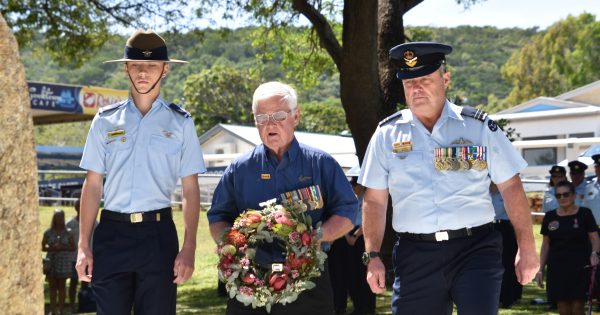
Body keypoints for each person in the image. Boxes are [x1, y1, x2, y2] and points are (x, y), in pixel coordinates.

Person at [358, 41, 539, 315]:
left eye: (424, 79)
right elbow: (374, 201)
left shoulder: (478, 127)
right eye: (409, 82)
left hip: (474, 249)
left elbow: (511, 186)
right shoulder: (387, 134)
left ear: (445, 79)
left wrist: (527, 248)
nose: (416, 88)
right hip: (415, 255)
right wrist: (372, 256)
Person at [76, 29, 206, 315]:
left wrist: (189, 247)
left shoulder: (181, 123)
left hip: (157, 237)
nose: (143, 72)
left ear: (165, 70)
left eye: (151, 66)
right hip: (111, 235)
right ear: (126, 68)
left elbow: (190, 189)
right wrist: (84, 246)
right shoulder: (104, 121)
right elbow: (93, 184)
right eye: (136, 65)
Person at [207, 81, 358, 315]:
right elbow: (218, 217)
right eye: (262, 117)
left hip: (309, 280)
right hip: (250, 280)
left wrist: (316, 238)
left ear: (296, 116)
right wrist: (233, 245)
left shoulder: (320, 164)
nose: (270, 124)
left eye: (278, 115)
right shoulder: (240, 169)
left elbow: (348, 210)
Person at [536, 180, 600, 315]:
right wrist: (540, 269)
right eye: (558, 195)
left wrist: (595, 252)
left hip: (580, 267)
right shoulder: (550, 216)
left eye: (565, 194)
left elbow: (594, 238)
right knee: (562, 307)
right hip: (557, 268)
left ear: (574, 195)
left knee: (577, 307)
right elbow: (546, 244)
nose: (562, 198)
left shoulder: (585, 214)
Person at [328, 177, 376, 315]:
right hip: (346, 234)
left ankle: (366, 307)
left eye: (354, 185)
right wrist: (346, 235)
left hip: (362, 237)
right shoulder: (349, 200)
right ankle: (356, 306)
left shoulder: (367, 199)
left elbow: (367, 220)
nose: (353, 188)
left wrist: (354, 236)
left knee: (363, 273)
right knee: (349, 274)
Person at [490, 182, 523, 308]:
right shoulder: (483, 190)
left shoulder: (505, 191)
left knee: (508, 262)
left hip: (505, 227)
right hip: (488, 227)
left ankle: (509, 296)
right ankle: (496, 296)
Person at [43, 209, 76, 315]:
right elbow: (42, 247)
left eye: (61, 216)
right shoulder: (48, 232)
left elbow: (73, 247)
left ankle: (60, 310)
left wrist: (62, 247)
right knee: (52, 287)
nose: (59, 219)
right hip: (51, 262)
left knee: (62, 287)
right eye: (57, 216)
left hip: (63, 262)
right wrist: (52, 248)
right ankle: (52, 309)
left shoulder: (69, 232)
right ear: (54, 218)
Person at [583, 154, 600, 222]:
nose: (599, 169)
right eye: (597, 166)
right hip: (594, 229)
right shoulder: (588, 188)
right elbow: (585, 209)